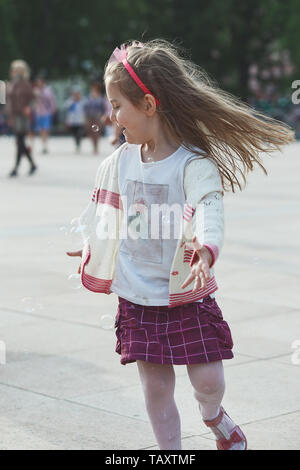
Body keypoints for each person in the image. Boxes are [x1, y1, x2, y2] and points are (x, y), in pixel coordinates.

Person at [66, 40, 294, 450]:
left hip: (183, 292)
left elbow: (209, 207)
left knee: (209, 381)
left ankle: (213, 415)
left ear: (149, 105)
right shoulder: (120, 162)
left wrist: (206, 248)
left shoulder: (193, 163)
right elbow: (103, 211)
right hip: (138, 296)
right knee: (155, 390)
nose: (111, 116)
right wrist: (92, 245)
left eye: (117, 105)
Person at [6, 60, 37, 177]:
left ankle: (16, 167)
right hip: (14, 116)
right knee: (20, 142)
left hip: (23, 116)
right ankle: (31, 164)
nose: (15, 72)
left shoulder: (26, 84)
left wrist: (29, 107)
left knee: (20, 141)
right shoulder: (11, 84)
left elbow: (33, 99)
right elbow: (8, 101)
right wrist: (8, 116)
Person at [33, 75, 57, 154]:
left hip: (46, 112)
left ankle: (45, 145)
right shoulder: (35, 91)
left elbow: (52, 101)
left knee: (45, 129)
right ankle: (43, 144)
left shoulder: (48, 91)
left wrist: (52, 110)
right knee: (40, 130)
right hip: (38, 112)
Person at [84, 82, 106, 155]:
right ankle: (94, 146)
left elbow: (103, 109)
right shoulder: (89, 97)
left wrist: (103, 116)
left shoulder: (101, 98)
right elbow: (86, 108)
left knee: (96, 133)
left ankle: (96, 147)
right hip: (90, 117)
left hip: (98, 118)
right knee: (90, 133)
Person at [64, 86, 86, 153]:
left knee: (79, 133)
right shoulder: (70, 101)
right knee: (74, 133)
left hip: (80, 120)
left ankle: (78, 144)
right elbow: (66, 107)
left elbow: (86, 109)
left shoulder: (83, 100)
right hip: (72, 121)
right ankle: (77, 144)